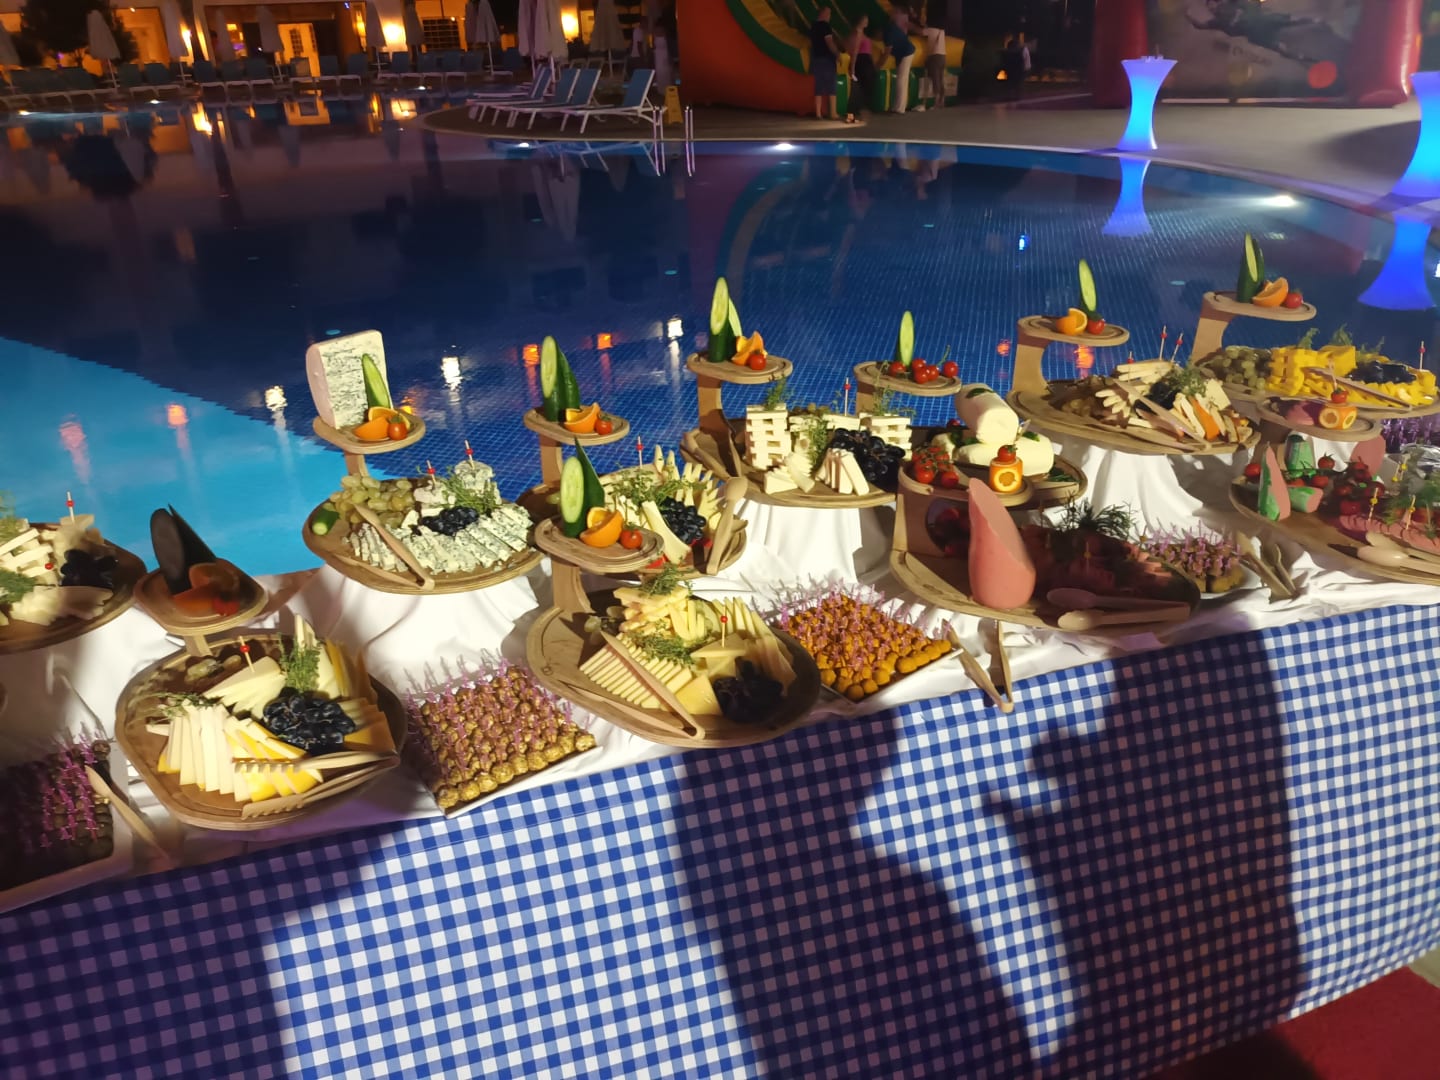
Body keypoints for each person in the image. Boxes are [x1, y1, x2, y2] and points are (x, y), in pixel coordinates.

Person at [809, 5, 841, 121]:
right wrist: (837, 54)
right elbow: (829, 42)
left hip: (816, 58)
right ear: (823, 13)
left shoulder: (813, 27)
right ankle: (833, 113)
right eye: (828, 13)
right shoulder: (825, 26)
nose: (829, 16)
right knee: (831, 85)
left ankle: (818, 114)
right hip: (827, 59)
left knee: (818, 86)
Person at [845, 14, 876, 122]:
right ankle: (856, 113)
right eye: (865, 19)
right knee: (860, 89)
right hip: (862, 62)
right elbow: (855, 50)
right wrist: (852, 67)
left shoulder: (860, 33)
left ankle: (857, 113)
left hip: (865, 61)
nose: (867, 21)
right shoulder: (857, 33)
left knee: (863, 88)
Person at [884, 8, 916, 113]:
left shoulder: (889, 32)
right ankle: (898, 106)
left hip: (907, 53)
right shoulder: (892, 29)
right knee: (902, 80)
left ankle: (900, 108)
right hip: (904, 53)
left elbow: (887, 51)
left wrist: (879, 64)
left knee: (901, 80)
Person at [918, 9, 946, 110]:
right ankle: (942, 101)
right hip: (943, 56)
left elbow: (920, 32)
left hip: (934, 56)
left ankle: (936, 103)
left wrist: (910, 25)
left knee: (935, 79)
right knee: (941, 79)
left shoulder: (931, 30)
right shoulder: (941, 31)